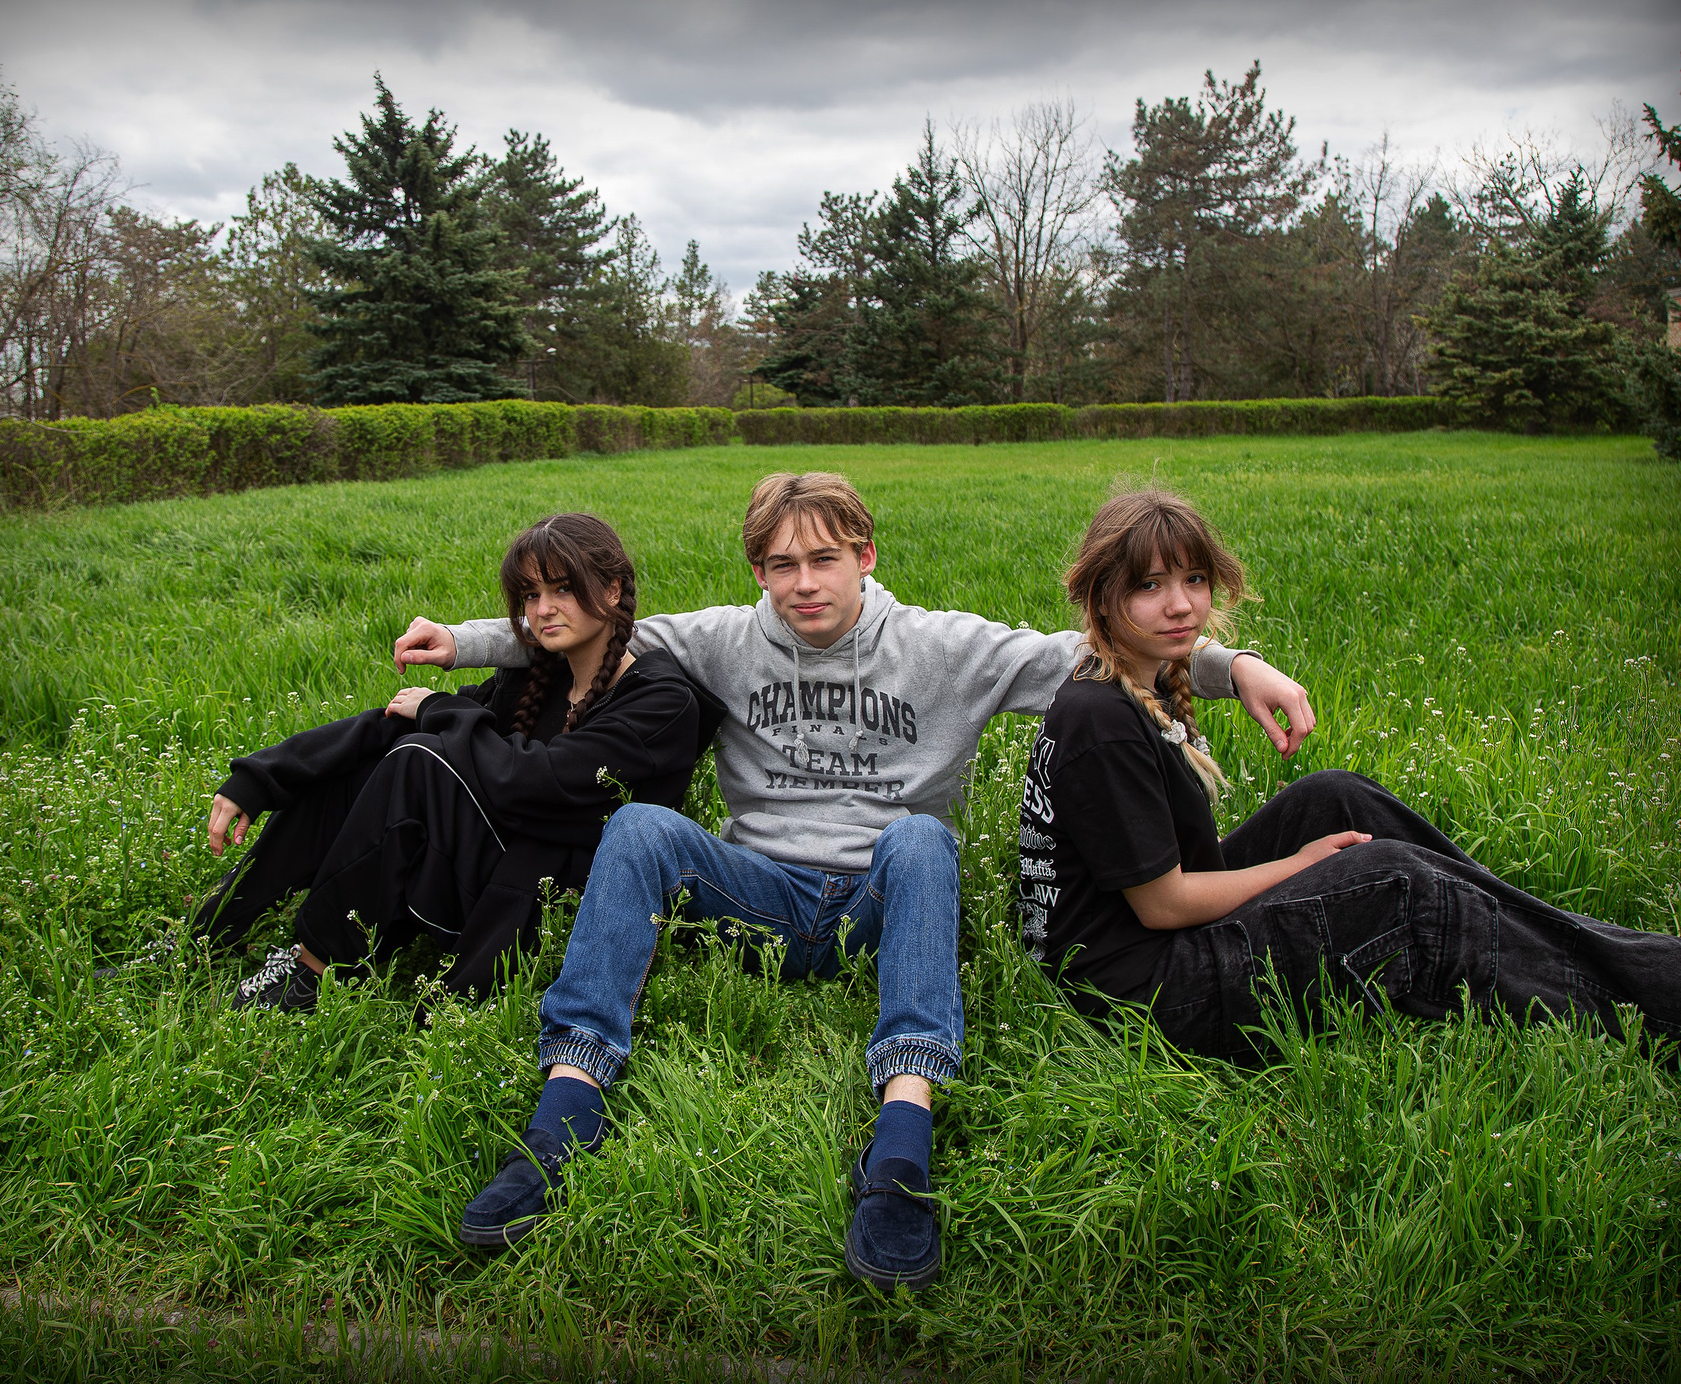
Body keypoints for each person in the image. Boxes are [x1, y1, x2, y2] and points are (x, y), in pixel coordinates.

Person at [391, 471, 1316, 1288]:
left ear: (865, 556)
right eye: (782, 565)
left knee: (922, 839)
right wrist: (463, 642)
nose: (805, 583)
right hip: (755, 893)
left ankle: (901, 1149)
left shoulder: (942, 647)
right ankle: (567, 1108)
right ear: (758, 571)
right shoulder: (722, 640)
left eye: (825, 559)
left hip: (880, 895)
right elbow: (594, 624)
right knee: (638, 828)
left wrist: (1236, 665)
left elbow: (1089, 653)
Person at [1017, 488, 1681, 1063]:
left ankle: (1615, 964)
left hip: (1151, 953)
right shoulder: (1101, 718)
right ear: (1101, 596)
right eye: (1149, 586)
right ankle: (1662, 1019)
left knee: (1337, 798)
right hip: (1143, 1001)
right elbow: (1164, 905)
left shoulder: (1136, 683)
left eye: (1193, 578)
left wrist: (1307, 851)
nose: (1181, 604)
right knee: (1389, 879)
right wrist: (1302, 866)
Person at [189, 512, 720, 1013]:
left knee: (419, 760)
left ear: (612, 590)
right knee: (377, 760)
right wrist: (261, 776)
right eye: (531, 594)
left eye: (563, 588)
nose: (543, 609)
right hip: (483, 863)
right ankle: (210, 930)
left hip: (547, 902)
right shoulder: (541, 673)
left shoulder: (661, 702)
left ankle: (314, 969)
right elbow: (397, 722)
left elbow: (538, 779)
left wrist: (439, 708)